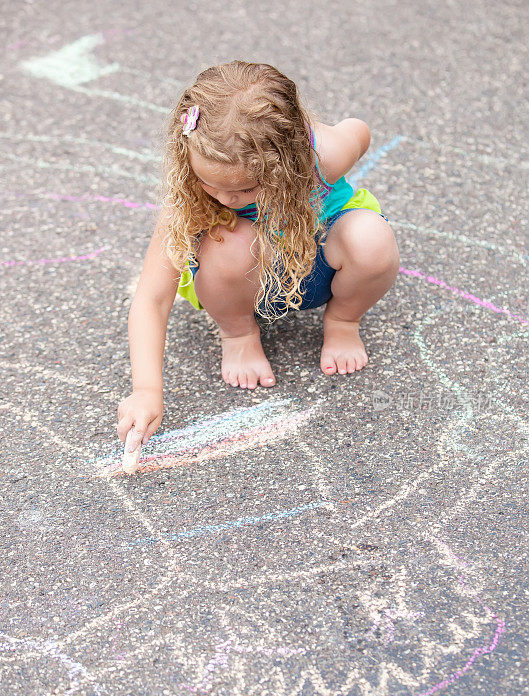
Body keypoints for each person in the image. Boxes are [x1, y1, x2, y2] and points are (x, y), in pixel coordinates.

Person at [117, 60, 400, 446]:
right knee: (230, 238)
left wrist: (311, 139)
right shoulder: (189, 199)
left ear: (290, 160)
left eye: (246, 189)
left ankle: (344, 322)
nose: (224, 198)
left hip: (316, 265)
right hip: (240, 279)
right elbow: (151, 298)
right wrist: (146, 390)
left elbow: (359, 132)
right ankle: (238, 334)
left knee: (371, 238)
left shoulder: (324, 158)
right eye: (206, 181)